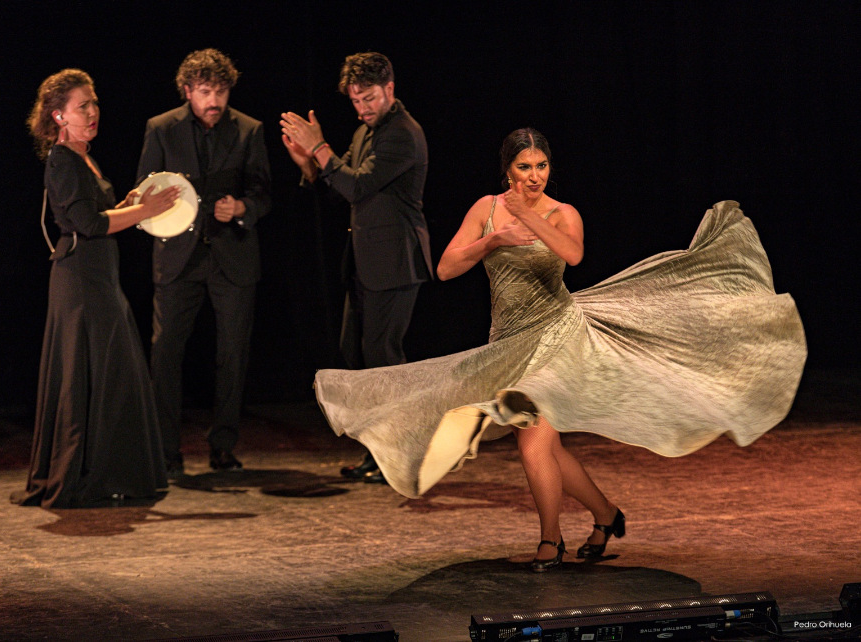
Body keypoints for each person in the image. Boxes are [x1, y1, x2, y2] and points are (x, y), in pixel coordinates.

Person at [313, 128, 807, 571]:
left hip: (559, 338)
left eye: (542, 166)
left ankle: (551, 540)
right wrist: (494, 239)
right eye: (524, 167)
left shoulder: (562, 212)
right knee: (548, 446)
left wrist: (530, 215)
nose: (534, 175)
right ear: (507, 169)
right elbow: (444, 269)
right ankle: (607, 515)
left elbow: (572, 254)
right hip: (509, 343)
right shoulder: (485, 210)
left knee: (531, 440)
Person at [12, 69, 177, 508]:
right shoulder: (63, 158)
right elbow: (87, 224)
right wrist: (142, 211)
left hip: (99, 275)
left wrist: (126, 206)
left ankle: (110, 474)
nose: (92, 112)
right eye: (82, 106)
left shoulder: (85, 157)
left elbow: (99, 214)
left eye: (94, 103)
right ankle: (93, 477)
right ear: (58, 116)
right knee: (99, 373)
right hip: (82, 279)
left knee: (111, 374)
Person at [280, 51, 433, 484]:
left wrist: (321, 149)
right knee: (359, 359)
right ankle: (378, 452)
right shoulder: (368, 131)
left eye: (369, 98)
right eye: (356, 101)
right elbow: (340, 186)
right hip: (367, 264)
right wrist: (309, 164)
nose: (363, 108)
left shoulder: (402, 133)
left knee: (385, 362)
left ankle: (400, 455)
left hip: (396, 263)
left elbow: (358, 184)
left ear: (390, 88)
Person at [136, 49, 272, 478]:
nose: (215, 100)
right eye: (206, 91)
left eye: (222, 90)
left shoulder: (249, 130)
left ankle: (223, 447)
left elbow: (264, 194)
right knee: (165, 355)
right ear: (188, 91)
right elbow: (144, 192)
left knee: (233, 354)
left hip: (232, 258)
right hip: (178, 259)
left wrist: (243, 207)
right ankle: (165, 452)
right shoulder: (161, 129)